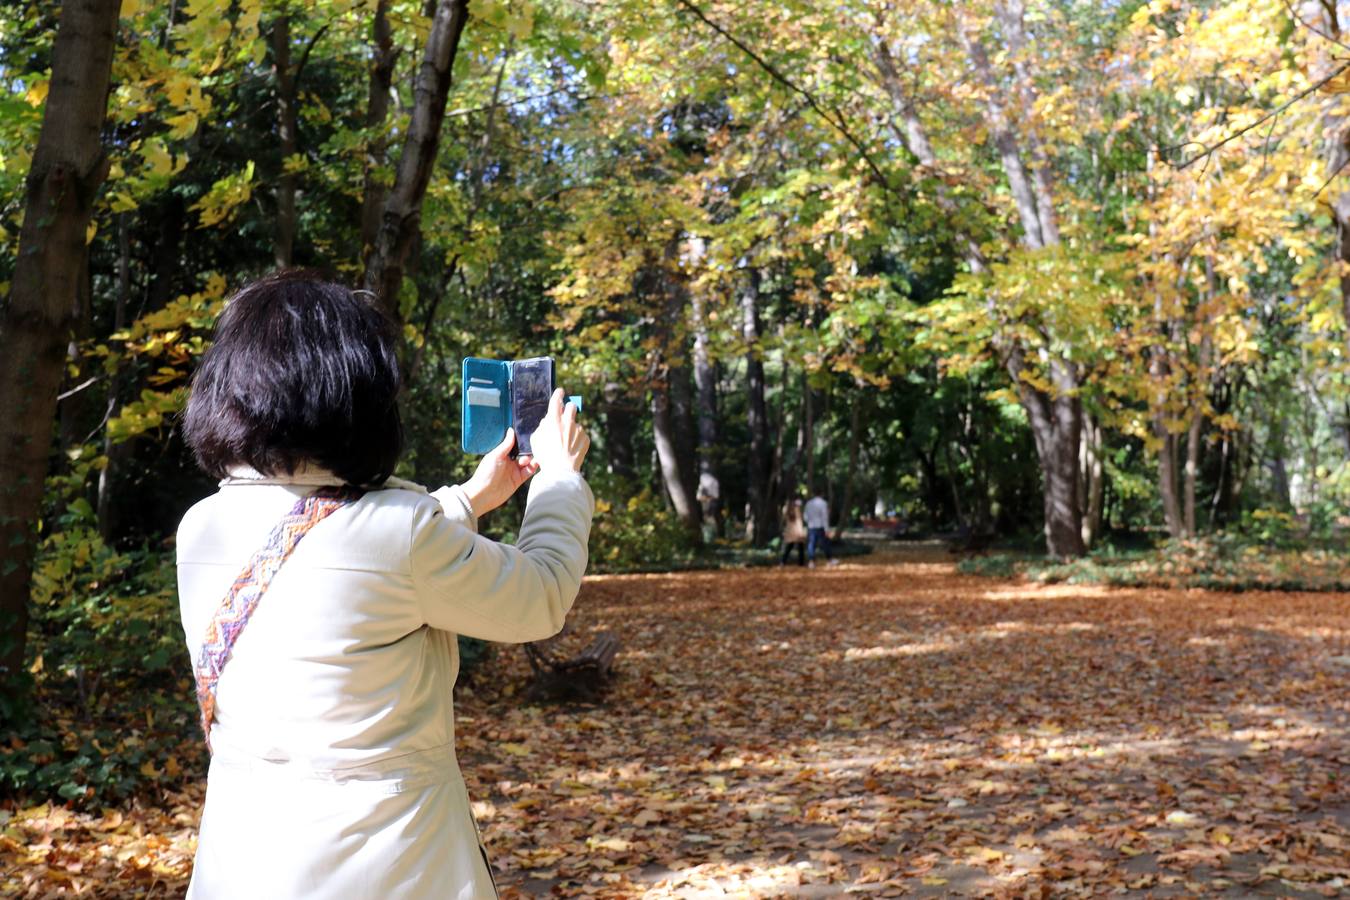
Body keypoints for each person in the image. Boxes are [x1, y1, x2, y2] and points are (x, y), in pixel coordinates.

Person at [176, 271, 593, 899]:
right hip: (389, 864)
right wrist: (558, 482)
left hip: (243, 858)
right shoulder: (400, 535)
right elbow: (539, 598)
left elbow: (331, 557)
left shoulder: (201, 527)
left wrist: (472, 498)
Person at [803, 489, 838, 568]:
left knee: (811, 544)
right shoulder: (823, 503)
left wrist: (809, 522)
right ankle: (829, 560)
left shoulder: (809, 503)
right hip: (820, 526)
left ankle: (811, 562)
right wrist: (826, 529)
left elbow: (805, 516)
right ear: (822, 494)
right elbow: (824, 517)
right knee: (825, 544)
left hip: (811, 526)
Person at [780, 496, 806, 566]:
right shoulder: (797, 509)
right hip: (797, 530)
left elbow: (784, 519)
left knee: (789, 547)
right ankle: (801, 563)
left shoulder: (786, 509)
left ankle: (783, 561)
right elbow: (800, 519)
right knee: (800, 547)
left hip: (790, 530)